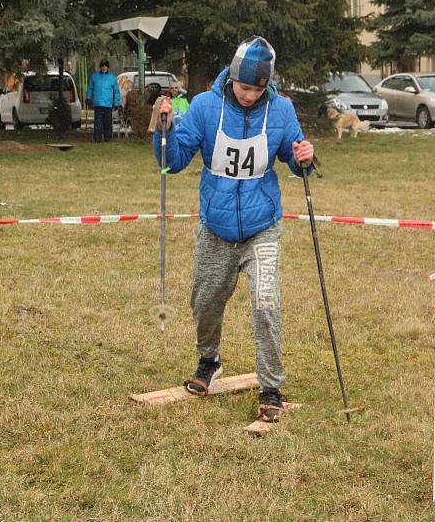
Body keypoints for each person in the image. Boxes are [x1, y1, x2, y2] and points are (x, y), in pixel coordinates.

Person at [153, 36, 314, 422]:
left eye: (258, 88)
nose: (249, 95)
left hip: (263, 226)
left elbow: (296, 157)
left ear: (268, 85)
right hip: (216, 228)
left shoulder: (281, 109)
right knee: (205, 302)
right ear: (231, 78)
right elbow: (172, 162)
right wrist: (165, 131)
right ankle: (209, 360)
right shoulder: (206, 108)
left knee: (265, 302)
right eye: (244, 87)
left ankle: (271, 386)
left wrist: (304, 157)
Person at [86, 59, 120, 143]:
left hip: (108, 104)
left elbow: (116, 91)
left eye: (105, 66)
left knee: (108, 122)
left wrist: (116, 103)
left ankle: (107, 138)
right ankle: (97, 139)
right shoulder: (94, 76)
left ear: (108, 67)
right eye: (102, 66)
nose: (104, 67)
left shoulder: (112, 77)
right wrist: (88, 98)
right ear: (100, 67)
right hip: (97, 103)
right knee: (97, 122)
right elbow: (90, 88)